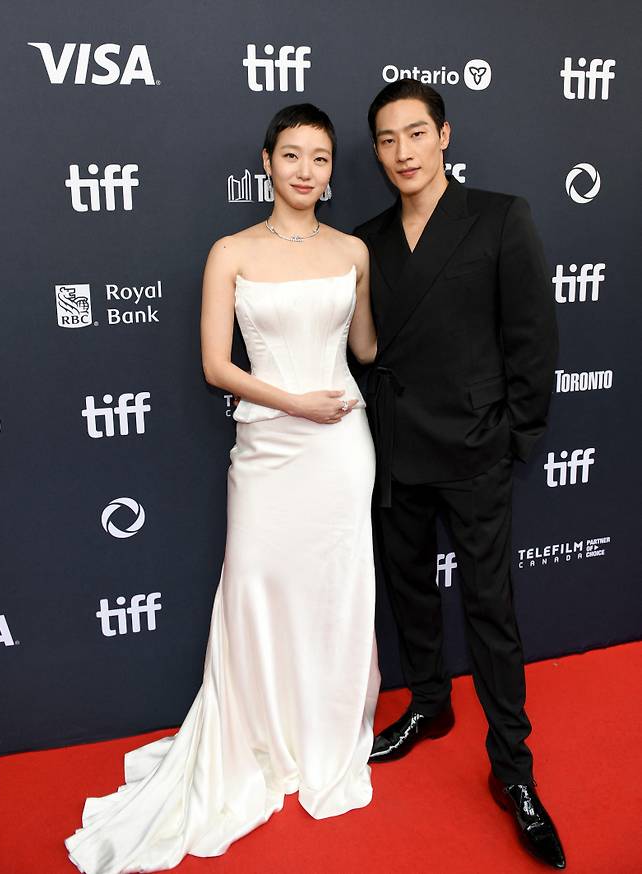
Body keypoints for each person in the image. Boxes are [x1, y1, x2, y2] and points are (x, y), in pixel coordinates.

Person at [65, 103, 380, 874]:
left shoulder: (354, 250)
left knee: (337, 588)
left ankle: (323, 735)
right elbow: (217, 365)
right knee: (256, 587)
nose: (308, 170)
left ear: (332, 168)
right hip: (271, 443)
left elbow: (366, 345)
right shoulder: (230, 252)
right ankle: (259, 737)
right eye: (293, 155)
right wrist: (294, 400)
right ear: (266, 162)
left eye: (322, 157)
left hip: (341, 443)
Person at [353, 81, 566, 869]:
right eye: (386, 139)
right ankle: (431, 708)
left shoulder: (501, 218)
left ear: (444, 135)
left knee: (490, 609)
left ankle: (514, 772)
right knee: (408, 590)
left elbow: (532, 341)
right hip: (397, 448)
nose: (403, 151)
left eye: (416, 133)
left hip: (476, 449)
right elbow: (365, 347)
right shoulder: (366, 237)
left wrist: (513, 437)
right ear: (375, 151)